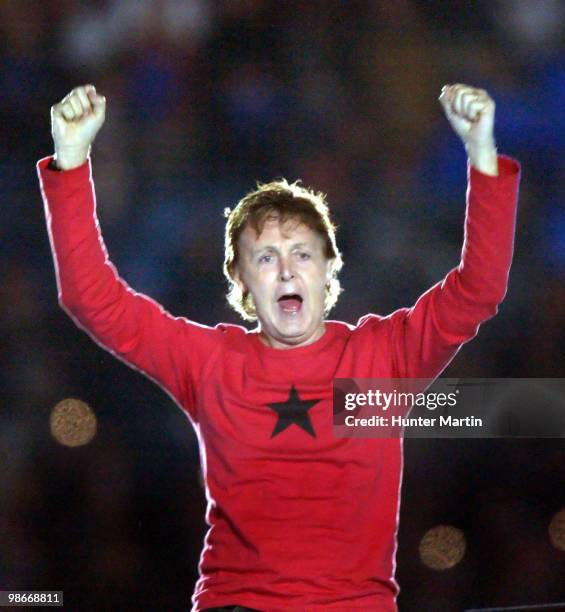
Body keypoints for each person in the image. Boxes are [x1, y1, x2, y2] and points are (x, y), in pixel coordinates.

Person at [37, 83, 520, 611]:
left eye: (302, 254)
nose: (286, 269)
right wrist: (72, 158)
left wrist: (481, 154)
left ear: (329, 270)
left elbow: (478, 288)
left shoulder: (382, 358)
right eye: (265, 257)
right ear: (241, 283)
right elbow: (91, 298)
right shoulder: (210, 362)